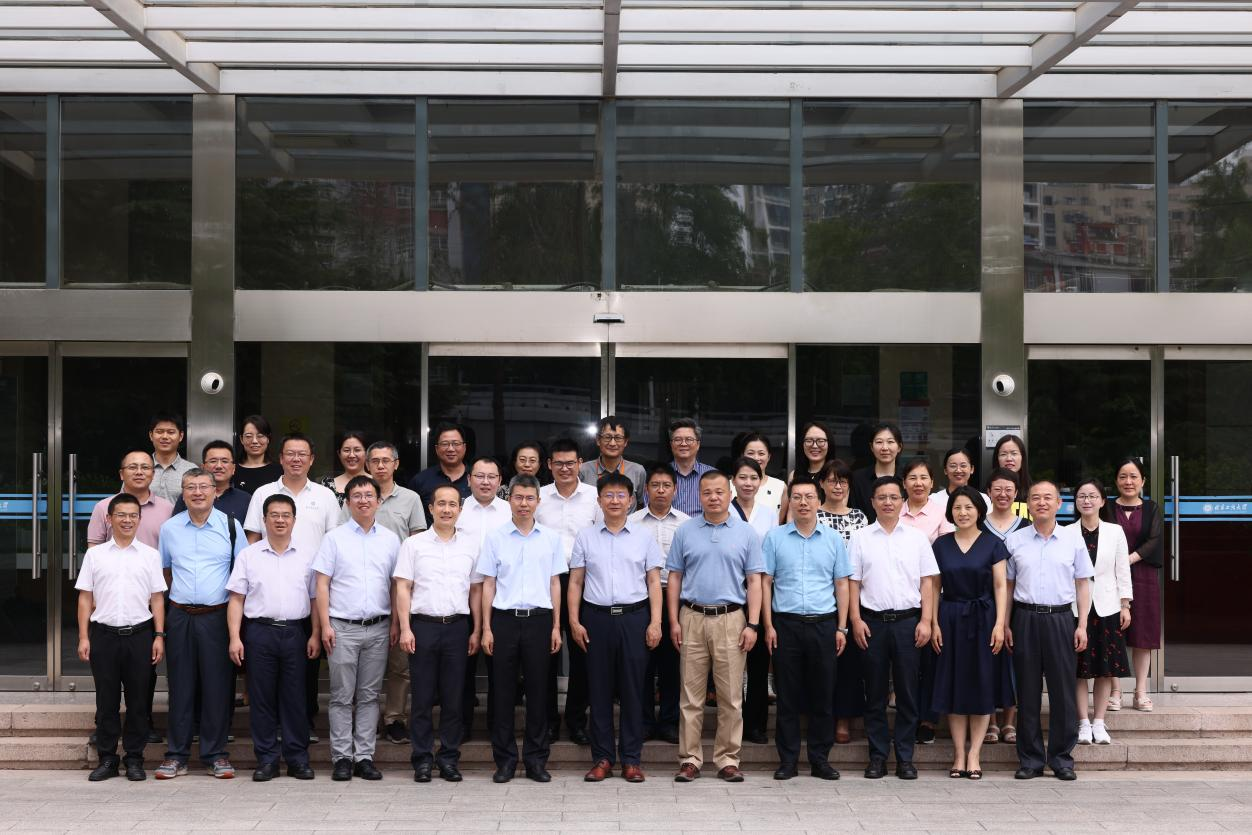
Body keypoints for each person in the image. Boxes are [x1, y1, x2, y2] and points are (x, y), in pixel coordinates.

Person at [667, 469, 765, 784]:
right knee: (690, 696)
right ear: (699, 496)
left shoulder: (746, 533)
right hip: (692, 617)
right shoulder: (685, 531)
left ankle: (727, 759)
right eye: (707, 492)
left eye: (719, 492)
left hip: (732, 619)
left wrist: (753, 624)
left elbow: (754, 581)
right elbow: (675, 578)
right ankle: (690, 759)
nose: (713, 497)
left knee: (731, 697)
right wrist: (673, 620)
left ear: (730, 493)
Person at [244, 433, 342, 743]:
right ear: (281, 458)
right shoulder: (263, 493)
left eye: (302, 454)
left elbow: (334, 542)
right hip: (270, 589)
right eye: (290, 453)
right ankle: (271, 728)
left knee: (306, 664)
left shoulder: (325, 497)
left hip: (311, 590)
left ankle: (305, 723)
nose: (296, 459)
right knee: (268, 672)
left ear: (312, 459)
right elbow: (252, 538)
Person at [568, 472, 664, 783]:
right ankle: (603, 758)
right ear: (599, 500)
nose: (614, 501)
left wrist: (656, 622)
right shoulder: (586, 537)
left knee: (634, 690)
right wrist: (574, 621)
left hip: (634, 618)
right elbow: (576, 582)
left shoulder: (643, 537)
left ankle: (632, 760)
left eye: (620, 495)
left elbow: (654, 582)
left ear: (631, 500)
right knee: (599, 690)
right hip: (596, 618)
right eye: (608, 495)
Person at [156, 469, 247, 780]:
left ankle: (215, 754)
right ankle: (176, 755)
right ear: (183, 493)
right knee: (180, 686)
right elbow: (165, 573)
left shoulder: (231, 526)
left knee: (217, 687)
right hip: (180, 615)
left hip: (217, 616)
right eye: (191, 487)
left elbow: (241, 576)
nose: (197, 492)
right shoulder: (170, 529)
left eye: (203, 487)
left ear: (214, 492)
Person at [476, 474, 566, 784]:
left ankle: (536, 760)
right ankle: (504, 761)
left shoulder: (551, 538)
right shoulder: (495, 538)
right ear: (509, 500)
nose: (524, 504)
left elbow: (555, 583)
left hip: (540, 620)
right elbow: (488, 584)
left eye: (529, 498)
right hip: (504, 620)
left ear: (538, 502)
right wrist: (486, 628)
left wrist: (556, 626)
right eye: (518, 498)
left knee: (539, 693)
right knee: (502, 693)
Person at [848, 476, 938, 780]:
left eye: (894, 497)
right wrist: (855, 620)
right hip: (871, 623)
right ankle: (877, 757)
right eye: (882, 497)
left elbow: (928, 582)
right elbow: (853, 583)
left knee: (907, 693)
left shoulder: (916, 538)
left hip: (908, 623)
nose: (888, 502)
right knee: (874, 693)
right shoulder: (860, 538)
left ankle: (905, 758)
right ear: (872, 502)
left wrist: (926, 620)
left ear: (902, 501)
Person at [761, 479, 851, 781]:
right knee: (787, 696)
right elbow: (765, 583)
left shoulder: (833, 539)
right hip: (785, 624)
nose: (803, 502)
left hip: (824, 624)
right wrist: (768, 625)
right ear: (790, 501)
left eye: (809, 497)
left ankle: (819, 760)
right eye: (797, 497)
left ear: (818, 501)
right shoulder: (775, 538)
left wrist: (842, 627)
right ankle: (787, 760)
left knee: (823, 695)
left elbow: (842, 584)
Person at [226, 494, 320, 782]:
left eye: (285, 515)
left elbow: (315, 599)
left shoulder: (308, 555)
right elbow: (236, 599)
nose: (280, 520)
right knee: (262, 698)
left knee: (295, 698)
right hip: (259, 633)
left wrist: (315, 634)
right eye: (274, 515)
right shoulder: (249, 555)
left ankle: (297, 758)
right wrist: (235, 638)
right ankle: (266, 759)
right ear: (264, 519)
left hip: (295, 632)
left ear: (294, 520)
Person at [313, 475, 401, 782]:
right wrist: (325, 625)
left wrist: (396, 623)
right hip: (342, 628)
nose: (363, 500)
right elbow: (321, 584)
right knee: (340, 696)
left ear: (378, 501)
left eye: (369, 495)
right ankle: (341, 757)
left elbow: (396, 585)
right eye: (357, 496)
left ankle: (364, 756)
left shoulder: (390, 540)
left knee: (369, 695)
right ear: (348, 502)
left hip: (378, 627)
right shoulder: (334, 538)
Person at [394, 483, 483, 783]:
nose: (447, 509)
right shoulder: (414, 544)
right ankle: (421, 759)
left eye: (452, 504)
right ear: (431, 508)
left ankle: (448, 758)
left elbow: (476, 590)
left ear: (460, 509)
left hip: (457, 627)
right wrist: (405, 628)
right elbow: (403, 587)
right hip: (423, 627)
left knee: (453, 697)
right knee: (421, 697)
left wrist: (477, 629)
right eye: (441, 504)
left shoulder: (471, 545)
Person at [1005, 479, 1093, 781]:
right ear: (1028, 504)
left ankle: (1061, 758)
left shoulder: (1073, 540)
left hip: (1061, 619)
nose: (1041, 502)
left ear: (1059, 503)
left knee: (1063, 692)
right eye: (1035, 498)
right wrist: (1006, 624)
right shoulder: (1015, 541)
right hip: (1025, 619)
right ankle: (1030, 760)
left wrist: (1082, 624)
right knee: (1027, 691)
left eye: (1048, 497)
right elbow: (1008, 586)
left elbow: (1083, 584)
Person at [76, 493, 167, 782]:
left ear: (139, 519)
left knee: (139, 701)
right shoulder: (95, 555)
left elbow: (157, 598)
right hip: (103, 635)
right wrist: (83, 637)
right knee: (107, 701)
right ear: (109, 518)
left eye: (133, 515)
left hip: (140, 635)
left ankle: (135, 758)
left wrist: (159, 635)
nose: (127, 520)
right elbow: (85, 597)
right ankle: (107, 758)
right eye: (121, 515)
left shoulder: (150, 555)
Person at [930, 486, 1014, 780]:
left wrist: (1000, 624)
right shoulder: (941, 545)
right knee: (954, 685)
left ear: (979, 511)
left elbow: (1001, 585)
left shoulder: (993, 544)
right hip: (950, 618)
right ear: (950, 512)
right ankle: (958, 754)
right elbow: (934, 586)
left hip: (984, 619)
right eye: (957, 507)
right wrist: (933, 623)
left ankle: (975, 755)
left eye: (968, 507)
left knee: (981, 684)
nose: (962, 512)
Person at [357, 440, 428, 746]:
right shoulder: (359, 496)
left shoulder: (411, 499)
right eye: (375, 461)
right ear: (368, 465)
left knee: (400, 662)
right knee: (367, 663)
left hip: (401, 587)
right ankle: (367, 717)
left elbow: (419, 544)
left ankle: (395, 718)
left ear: (396, 464)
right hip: (365, 587)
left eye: (386, 460)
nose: (381, 466)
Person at [536, 438, 601, 745]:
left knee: (582, 653)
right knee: (545, 655)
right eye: (559, 463)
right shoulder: (539, 497)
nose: (564, 468)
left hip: (583, 582)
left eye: (570, 463)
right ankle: (548, 721)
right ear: (549, 465)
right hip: (545, 581)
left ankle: (576, 720)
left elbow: (601, 537)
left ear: (580, 464)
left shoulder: (594, 497)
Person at [630, 463, 689, 745]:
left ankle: (669, 721)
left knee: (672, 662)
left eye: (666, 486)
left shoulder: (687, 524)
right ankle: (643, 721)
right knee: (642, 662)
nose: (661, 491)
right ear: (646, 490)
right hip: (640, 597)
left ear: (675, 490)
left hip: (675, 597)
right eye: (655, 485)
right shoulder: (632, 522)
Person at [1072, 477, 1132, 746]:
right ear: (1075, 501)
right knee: (1079, 669)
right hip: (1075, 608)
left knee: (1105, 669)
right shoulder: (1066, 532)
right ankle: (1082, 722)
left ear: (1102, 501)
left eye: (1092, 496)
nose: (1087, 500)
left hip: (1108, 606)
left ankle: (1099, 721)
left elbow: (1123, 569)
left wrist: (1125, 604)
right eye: (1082, 496)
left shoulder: (1115, 531)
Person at [898, 457, 953, 746]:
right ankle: (905, 715)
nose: (918, 483)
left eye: (923, 478)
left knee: (930, 660)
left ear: (932, 483)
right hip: (900, 596)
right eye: (912, 478)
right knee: (905, 663)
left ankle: (928, 720)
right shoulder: (894, 509)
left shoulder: (942, 513)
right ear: (904, 483)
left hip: (934, 594)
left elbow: (946, 556)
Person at [457, 456, 513, 739]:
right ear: (469, 480)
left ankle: (496, 727)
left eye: (492, 477)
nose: (486, 482)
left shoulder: (509, 511)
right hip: (460, 596)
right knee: (462, 667)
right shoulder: (456, 509)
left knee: (499, 667)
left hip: (499, 596)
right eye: (480, 476)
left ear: (500, 481)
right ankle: (462, 725)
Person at [1101, 457, 1162, 714]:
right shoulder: (1106, 508)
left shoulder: (1151, 508)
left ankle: (1141, 691)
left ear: (1143, 481)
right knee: (1112, 633)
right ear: (1116, 481)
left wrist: (1128, 559)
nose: (1128, 481)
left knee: (1143, 636)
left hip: (1144, 577)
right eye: (1123, 476)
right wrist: (1117, 563)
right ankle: (1115, 691)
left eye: (1134, 476)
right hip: (1110, 577)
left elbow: (1154, 539)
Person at [814, 458, 869, 746]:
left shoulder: (860, 517)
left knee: (848, 663)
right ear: (821, 483)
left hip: (854, 595)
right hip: (820, 596)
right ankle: (819, 717)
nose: (838, 486)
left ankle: (844, 720)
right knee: (821, 663)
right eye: (832, 480)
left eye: (843, 481)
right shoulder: (813, 514)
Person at [733, 455, 777, 745]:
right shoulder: (724, 509)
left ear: (761, 482)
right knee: (731, 665)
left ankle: (756, 724)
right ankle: (733, 723)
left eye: (753, 478)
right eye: (742, 477)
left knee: (759, 662)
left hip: (759, 591)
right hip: (730, 593)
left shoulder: (769, 514)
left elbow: (768, 557)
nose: (748, 483)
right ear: (733, 480)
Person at [981, 466, 1027, 744]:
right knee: (986, 661)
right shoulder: (978, 524)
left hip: (1018, 605)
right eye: (997, 489)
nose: (1003, 494)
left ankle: (1009, 721)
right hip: (983, 603)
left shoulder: (1026, 526)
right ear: (988, 492)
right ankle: (989, 721)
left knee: (1014, 662)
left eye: (1008, 489)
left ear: (1016, 493)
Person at [87, 450, 174, 549]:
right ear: (121, 474)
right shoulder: (103, 507)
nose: (139, 472)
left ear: (153, 474)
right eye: (132, 467)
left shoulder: (167, 508)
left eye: (145, 467)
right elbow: (94, 549)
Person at [172, 440, 251, 525]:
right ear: (203, 467)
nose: (219, 466)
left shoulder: (245, 499)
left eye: (225, 461)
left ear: (233, 468)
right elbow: (176, 526)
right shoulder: (190, 496)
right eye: (213, 461)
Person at [779, 421, 836, 523]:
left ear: (829, 444)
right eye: (809, 441)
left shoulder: (837, 474)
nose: (814, 446)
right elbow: (791, 513)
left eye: (820, 441)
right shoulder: (794, 475)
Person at [579, 416, 646, 501]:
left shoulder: (638, 471)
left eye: (618, 438)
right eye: (607, 437)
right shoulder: (582, 471)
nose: (612, 443)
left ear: (625, 442)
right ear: (598, 440)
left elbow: (641, 504)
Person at [850, 423, 903, 524]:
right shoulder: (857, 479)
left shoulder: (907, 478)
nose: (885, 448)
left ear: (899, 447)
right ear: (871, 447)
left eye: (890, 442)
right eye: (879, 442)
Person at [409, 423, 471, 509]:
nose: (451, 449)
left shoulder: (477, 479)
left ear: (464, 447)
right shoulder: (420, 481)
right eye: (445, 444)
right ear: (437, 449)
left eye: (456, 443)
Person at [668, 418, 714, 517]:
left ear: (698, 444)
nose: (683, 444)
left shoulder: (712, 475)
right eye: (678, 440)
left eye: (689, 439)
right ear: (671, 445)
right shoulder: (660, 475)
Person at [148, 412, 196, 505]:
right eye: (159, 432)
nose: (165, 437)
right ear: (151, 435)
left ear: (181, 436)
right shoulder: (138, 469)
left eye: (171, 432)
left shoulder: (191, 470)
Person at [736, 432, 786, 519]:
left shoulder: (780, 487)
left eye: (761, 453)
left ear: (769, 457)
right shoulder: (729, 486)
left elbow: (778, 523)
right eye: (750, 453)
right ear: (742, 455)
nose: (756, 458)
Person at [233, 415, 283, 495]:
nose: (254, 441)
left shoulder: (280, 470)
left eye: (260, 436)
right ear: (241, 439)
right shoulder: (232, 470)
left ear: (268, 439)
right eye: (249, 436)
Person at [321, 431, 369, 507]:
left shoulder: (378, 482)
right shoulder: (327, 485)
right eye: (346, 450)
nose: (351, 455)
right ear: (339, 454)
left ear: (367, 453)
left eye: (357, 450)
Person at [991, 434, 1032, 515]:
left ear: (1022, 457)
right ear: (997, 459)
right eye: (1003, 454)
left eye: (1014, 453)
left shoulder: (1033, 490)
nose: (1009, 459)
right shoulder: (988, 491)